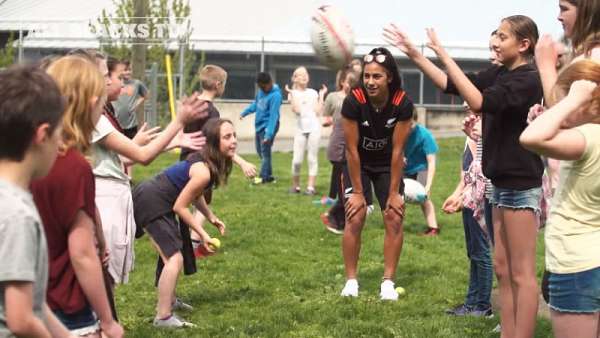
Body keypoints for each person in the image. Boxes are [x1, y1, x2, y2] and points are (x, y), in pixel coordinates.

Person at [384, 15, 544, 337]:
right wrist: (416, 55)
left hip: (520, 184)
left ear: (524, 44)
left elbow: (478, 100)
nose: (494, 41)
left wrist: (442, 51)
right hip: (498, 184)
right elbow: (452, 85)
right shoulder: (501, 73)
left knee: (521, 273)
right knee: (501, 268)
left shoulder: (528, 79)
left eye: (502, 36)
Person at [31, 56, 124, 337]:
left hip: (30, 297)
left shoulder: (26, 155)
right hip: (67, 306)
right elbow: (82, 253)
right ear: (93, 102)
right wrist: (108, 320)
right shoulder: (74, 166)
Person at [520, 59, 600, 338]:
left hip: (576, 263)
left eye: (563, 99)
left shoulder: (588, 137)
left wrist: (575, 98)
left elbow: (530, 138)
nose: (558, 106)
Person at [132, 118, 236, 328]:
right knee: (174, 258)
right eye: (227, 137)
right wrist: (203, 235)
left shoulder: (204, 163)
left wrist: (211, 218)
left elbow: (194, 194)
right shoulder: (203, 171)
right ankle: (163, 317)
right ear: (215, 142)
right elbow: (181, 206)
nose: (234, 141)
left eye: (234, 136)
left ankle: (169, 300)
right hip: (153, 200)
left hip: (157, 198)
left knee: (172, 252)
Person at [0, 64, 73, 338]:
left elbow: (34, 302)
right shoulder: (17, 215)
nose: (61, 145)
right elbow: (21, 319)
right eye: (59, 135)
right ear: (42, 136)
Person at [339, 47, 413, 301]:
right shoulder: (353, 101)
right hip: (357, 164)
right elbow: (350, 150)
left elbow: (398, 150)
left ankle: (387, 283)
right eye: (367, 76)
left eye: (377, 76)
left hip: (386, 165)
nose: (370, 82)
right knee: (355, 215)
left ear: (389, 77)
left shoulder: (402, 103)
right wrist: (359, 192)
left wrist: (394, 193)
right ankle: (351, 282)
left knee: (393, 216)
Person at [442, 129, 493, 318]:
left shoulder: (481, 132)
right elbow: (467, 174)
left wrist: (462, 196)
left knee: (481, 252)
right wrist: (458, 195)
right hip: (469, 197)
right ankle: (471, 304)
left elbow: (479, 174)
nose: (465, 105)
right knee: (473, 252)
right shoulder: (472, 132)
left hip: (479, 199)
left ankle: (483, 306)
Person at [285, 66, 327, 195]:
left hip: (314, 128)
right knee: (297, 160)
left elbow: (319, 111)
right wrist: (292, 93)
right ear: (295, 78)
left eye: (306, 74)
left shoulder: (313, 92)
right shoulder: (292, 93)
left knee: (312, 158)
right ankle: (296, 186)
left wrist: (321, 95)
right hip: (300, 130)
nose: (304, 77)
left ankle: (310, 187)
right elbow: (297, 110)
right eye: (300, 75)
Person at [240, 72, 282, 184]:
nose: (262, 89)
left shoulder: (276, 96)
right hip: (259, 126)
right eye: (260, 87)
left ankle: (263, 177)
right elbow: (255, 105)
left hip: (268, 126)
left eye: (263, 87)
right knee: (261, 151)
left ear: (269, 83)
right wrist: (245, 113)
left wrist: (269, 134)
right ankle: (269, 176)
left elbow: (274, 115)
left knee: (264, 152)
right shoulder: (261, 92)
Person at [403, 114, 440, 236]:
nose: (408, 127)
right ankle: (396, 226)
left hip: (421, 168)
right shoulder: (397, 131)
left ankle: (433, 228)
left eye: (411, 124)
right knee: (397, 197)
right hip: (403, 168)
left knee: (424, 197)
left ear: (415, 121)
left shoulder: (424, 135)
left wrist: (428, 186)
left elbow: (431, 162)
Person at [113, 59, 148, 138]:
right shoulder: (115, 83)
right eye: (125, 70)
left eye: (129, 70)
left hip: (131, 124)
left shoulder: (136, 83)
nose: (128, 72)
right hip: (117, 122)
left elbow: (146, 95)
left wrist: (136, 103)